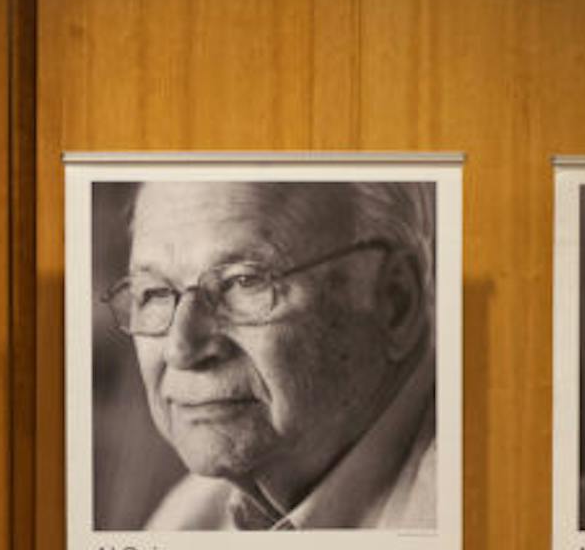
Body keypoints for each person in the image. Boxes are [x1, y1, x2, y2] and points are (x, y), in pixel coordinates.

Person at [101, 180, 435, 531]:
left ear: (395, 302)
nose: (181, 349)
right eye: (153, 293)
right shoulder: (186, 521)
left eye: (244, 282)